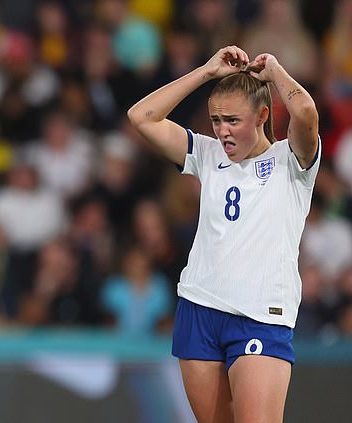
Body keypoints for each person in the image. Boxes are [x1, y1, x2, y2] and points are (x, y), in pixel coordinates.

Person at [127, 46, 320, 422]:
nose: (222, 131)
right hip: (199, 308)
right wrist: (204, 72)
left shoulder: (290, 160)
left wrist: (276, 71)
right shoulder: (207, 153)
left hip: (260, 314)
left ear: (263, 116)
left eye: (232, 120)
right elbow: (142, 117)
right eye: (216, 120)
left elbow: (306, 112)